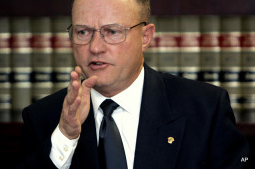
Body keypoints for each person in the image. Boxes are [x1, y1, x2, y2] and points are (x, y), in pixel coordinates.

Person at [17, 0, 250, 168]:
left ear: (146, 37)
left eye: (112, 31)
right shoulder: (44, 118)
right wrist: (66, 137)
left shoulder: (205, 109)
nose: (95, 47)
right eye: (83, 32)